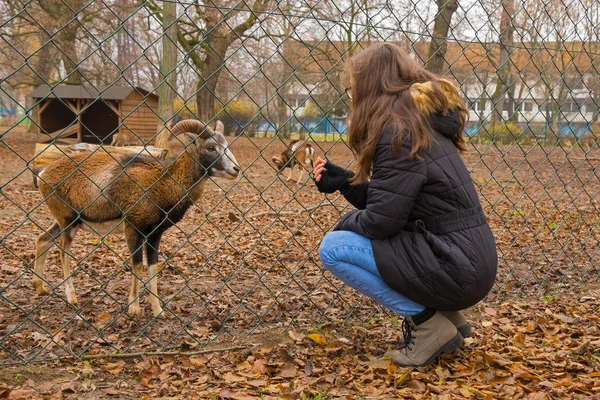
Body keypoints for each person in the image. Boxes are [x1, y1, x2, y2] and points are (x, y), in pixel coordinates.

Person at [313, 43, 498, 367]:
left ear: (369, 86)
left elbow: (381, 222)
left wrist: (343, 224)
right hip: (468, 259)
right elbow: (396, 201)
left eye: (353, 87)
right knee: (359, 238)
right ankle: (447, 317)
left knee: (334, 247)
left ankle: (428, 323)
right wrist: (345, 182)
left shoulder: (396, 133)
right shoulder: (419, 124)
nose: (352, 95)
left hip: (456, 265)